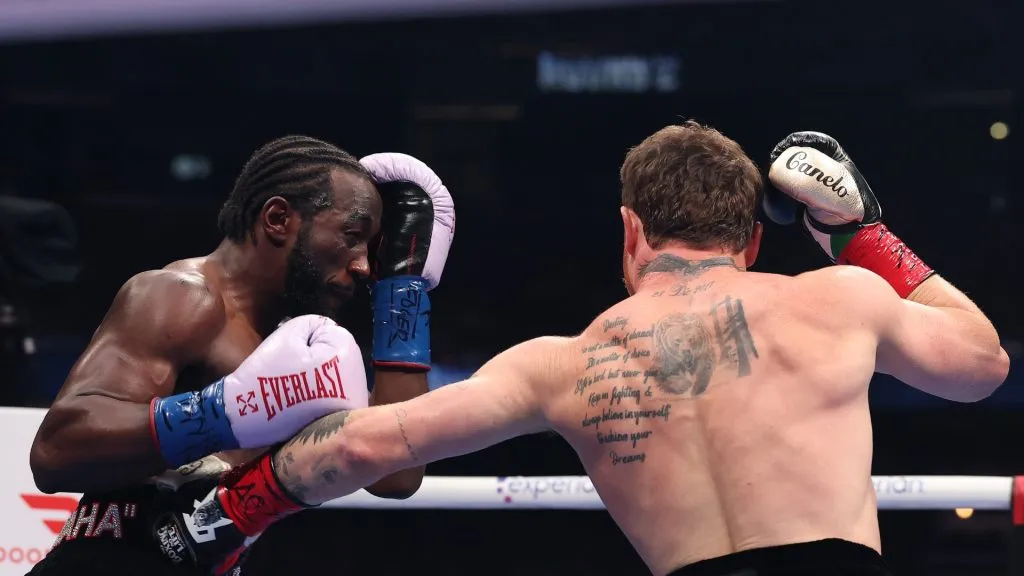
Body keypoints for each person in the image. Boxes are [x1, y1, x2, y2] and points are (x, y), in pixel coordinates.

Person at [173, 124, 1007, 575]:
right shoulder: (840, 301)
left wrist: (221, 517)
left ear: (631, 231)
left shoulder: (560, 363)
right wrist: (862, 234)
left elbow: (367, 446)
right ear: (753, 239)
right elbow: (982, 364)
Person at [26, 135, 456, 575]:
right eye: (352, 236)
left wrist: (402, 292)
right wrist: (222, 412)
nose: (365, 266)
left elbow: (395, 473)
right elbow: (56, 452)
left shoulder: (300, 347)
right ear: (277, 219)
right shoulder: (179, 296)